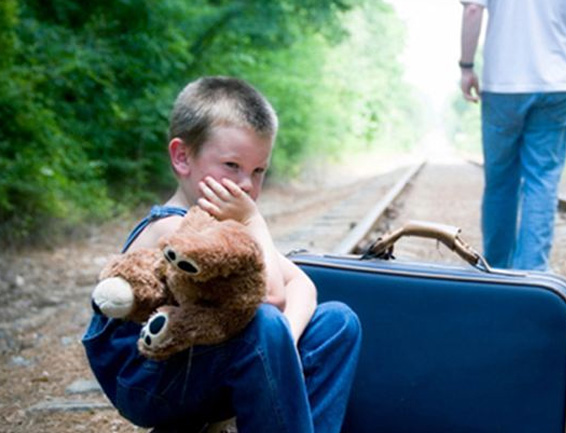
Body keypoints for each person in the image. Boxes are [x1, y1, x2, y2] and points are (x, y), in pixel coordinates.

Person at [82, 76, 362, 433]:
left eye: (258, 170)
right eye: (232, 166)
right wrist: (252, 219)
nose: (247, 184)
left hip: (199, 367)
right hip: (148, 381)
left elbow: (303, 285)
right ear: (182, 157)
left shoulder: (225, 227)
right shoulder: (172, 229)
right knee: (264, 321)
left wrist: (281, 351)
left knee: (339, 322)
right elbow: (272, 297)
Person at [459, 0, 566, 271]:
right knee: (542, 179)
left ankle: (497, 269)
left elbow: (473, 9)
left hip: (502, 85)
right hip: (557, 86)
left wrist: (466, 67)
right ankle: (532, 273)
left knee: (500, 180)